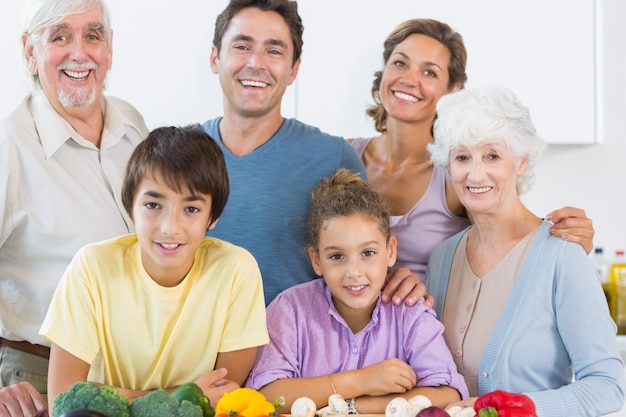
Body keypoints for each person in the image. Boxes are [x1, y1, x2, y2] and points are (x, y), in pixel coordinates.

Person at [202, 0, 425, 307]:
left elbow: (362, 265)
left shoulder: (334, 158)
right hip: (195, 351)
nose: (256, 62)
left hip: (302, 352)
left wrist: (401, 284)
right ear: (215, 57)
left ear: (294, 69)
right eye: (242, 46)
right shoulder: (179, 155)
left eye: (275, 50)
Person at [425, 86, 625, 416]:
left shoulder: (562, 255)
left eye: (492, 156)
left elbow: (607, 385)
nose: (476, 174)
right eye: (462, 157)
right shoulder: (442, 259)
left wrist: (520, 407)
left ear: (522, 162)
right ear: (447, 165)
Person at [349, 18, 595, 282]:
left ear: (453, 90)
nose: (409, 79)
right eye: (400, 63)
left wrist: (566, 240)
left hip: (434, 320)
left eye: (429, 72)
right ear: (384, 70)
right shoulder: (345, 155)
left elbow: (515, 240)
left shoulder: (459, 171)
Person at [40, 125, 269, 408]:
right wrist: (177, 397)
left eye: (191, 209)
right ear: (130, 207)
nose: (170, 227)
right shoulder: (92, 268)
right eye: (152, 205)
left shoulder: (236, 271)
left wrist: (110, 393)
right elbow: (63, 402)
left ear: (213, 217)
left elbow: (222, 400)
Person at [0, 0, 150, 414]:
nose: (80, 53)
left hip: (131, 382)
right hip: (38, 383)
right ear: (31, 53)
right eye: (60, 36)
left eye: (93, 35)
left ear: (110, 49)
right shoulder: (9, 147)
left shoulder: (133, 123)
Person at [246, 168, 468, 412]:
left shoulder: (410, 313)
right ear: (316, 260)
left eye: (368, 253)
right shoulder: (290, 309)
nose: (354, 271)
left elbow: (448, 394)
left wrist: (354, 406)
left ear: (391, 251)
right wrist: (362, 380)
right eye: (337, 256)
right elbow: (266, 396)